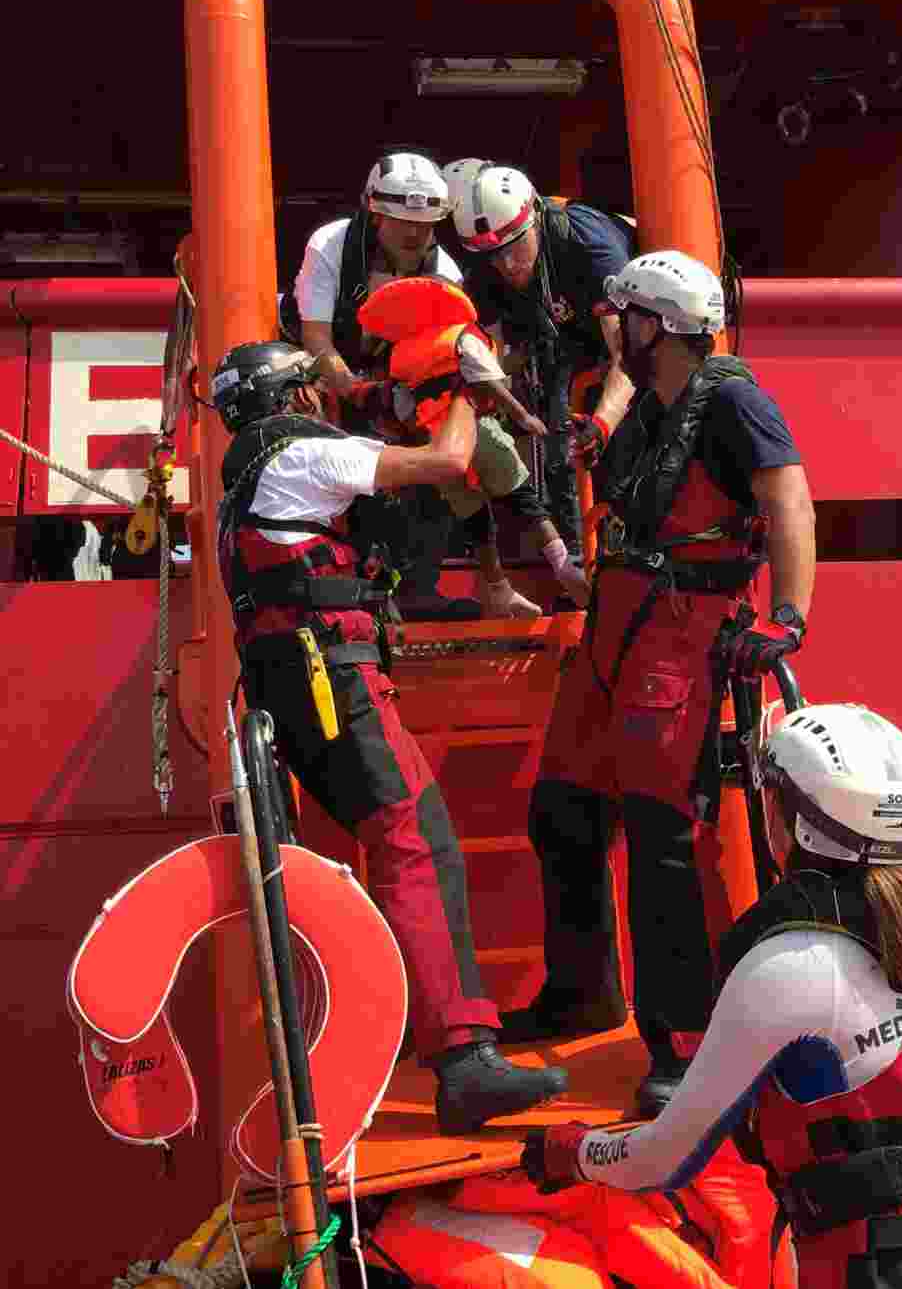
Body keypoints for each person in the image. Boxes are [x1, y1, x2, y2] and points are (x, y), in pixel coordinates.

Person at [520, 704, 902, 1289]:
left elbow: (662, 1159)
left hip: (881, 1271)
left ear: (791, 821)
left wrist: (573, 1151)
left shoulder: (787, 968)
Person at [211, 340, 568, 1134]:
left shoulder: (246, 474)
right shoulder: (299, 453)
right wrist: (465, 388)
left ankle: (434, 1034)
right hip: (329, 676)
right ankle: (463, 1056)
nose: (320, 398)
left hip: (293, 683)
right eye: (309, 386)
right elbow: (445, 460)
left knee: (402, 834)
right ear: (290, 397)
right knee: (416, 836)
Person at [505, 250, 816, 1119]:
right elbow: (618, 409)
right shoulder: (651, 399)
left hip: (681, 635)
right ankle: (583, 990)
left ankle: (679, 1043)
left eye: (628, 320)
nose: (620, 333)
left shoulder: (733, 403)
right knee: (561, 808)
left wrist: (787, 615)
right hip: (618, 621)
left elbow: (790, 498)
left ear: (657, 327)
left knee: (660, 836)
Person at [281, 149, 477, 621]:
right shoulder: (331, 245)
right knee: (338, 468)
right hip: (318, 373)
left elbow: (443, 354)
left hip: (393, 377)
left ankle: (418, 585)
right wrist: (354, 390)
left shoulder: (445, 273)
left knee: (434, 459)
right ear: (373, 211)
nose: (415, 233)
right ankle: (345, 586)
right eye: (402, 221)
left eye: (426, 223)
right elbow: (316, 339)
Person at [354, 274, 590, 617]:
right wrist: (523, 416)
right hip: (477, 429)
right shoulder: (461, 336)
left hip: (438, 448)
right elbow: (488, 379)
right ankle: (563, 564)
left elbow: (405, 408)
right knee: (521, 498)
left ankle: (498, 588)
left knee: (475, 518)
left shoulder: (404, 353)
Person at [451, 165, 638, 549]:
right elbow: (495, 354)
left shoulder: (589, 245)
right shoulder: (488, 263)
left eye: (515, 246)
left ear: (534, 215)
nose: (506, 265)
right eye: (494, 256)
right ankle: (576, 561)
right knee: (559, 456)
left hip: (636, 343)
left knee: (626, 452)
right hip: (567, 343)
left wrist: (602, 425)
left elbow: (628, 355)